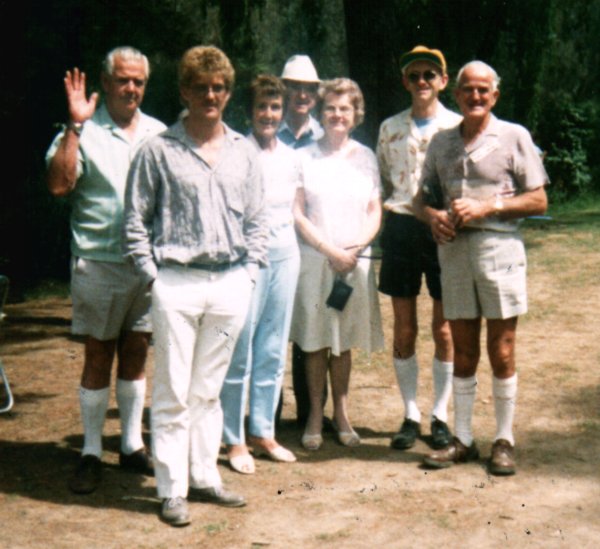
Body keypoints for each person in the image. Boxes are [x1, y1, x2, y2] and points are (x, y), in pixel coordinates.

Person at [124, 45, 268, 526]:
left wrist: (249, 275)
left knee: (209, 387)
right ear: (185, 91)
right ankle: (171, 489)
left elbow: (258, 219)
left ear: (228, 93)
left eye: (219, 87)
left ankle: (205, 476)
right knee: (173, 390)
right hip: (177, 285)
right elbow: (135, 221)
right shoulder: (159, 150)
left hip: (229, 285)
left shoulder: (244, 152)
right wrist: (154, 276)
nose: (211, 94)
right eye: (201, 87)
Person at [415, 61, 548, 475]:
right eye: (468, 90)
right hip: (454, 254)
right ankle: (464, 439)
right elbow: (420, 199)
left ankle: (504, 440)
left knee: (502, 349)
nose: (475, 97)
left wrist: (489, 205)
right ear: (455, 94)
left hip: (499, 248)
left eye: (483, 91)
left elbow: (538, 200)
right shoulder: (440, 142)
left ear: (495, 95)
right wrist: (432, 216)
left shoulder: (513, 136)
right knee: (464, 349)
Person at [46, 46, 166, 495]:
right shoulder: (82, 131)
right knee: (98, 355)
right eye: (123, 80)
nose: (131, 88)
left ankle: (132, 446)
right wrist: (75, 126)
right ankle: (92, 452)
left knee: (137, 353)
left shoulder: (159, 133)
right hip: (99, 262)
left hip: (146, 266)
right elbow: (59, 184)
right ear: (106, 81)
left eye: (138, 81)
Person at [290, 78, 384, 451]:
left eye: (344, 108)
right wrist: (329, 249)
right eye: (330, 108)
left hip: (353, 264)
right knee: (314, 343)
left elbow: (375, 210)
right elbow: (297, 213)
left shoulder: (366, 156)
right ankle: (315, 413)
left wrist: (357, 248)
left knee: (342, 343)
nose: (337, 115)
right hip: (316, 261)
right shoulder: (304, 157)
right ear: (320, 111)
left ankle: (341, 413)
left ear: (355, 114)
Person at [377, 45, 461, 452]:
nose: (423, 82)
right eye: (415, 76)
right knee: (404, 326)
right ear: (405, 82)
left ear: (444, 81)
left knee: (444, 328)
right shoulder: (389, 128)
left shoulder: (459, 126)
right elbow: (384, 181)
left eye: (430, 74)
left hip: (444, 229)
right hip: (400, 228)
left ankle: (440, 414)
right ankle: (410, 412)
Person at [220, 75, 301, 474]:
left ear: (282, 113)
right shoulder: (236, 151)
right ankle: (233, 439)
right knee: (241, 350)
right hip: (247, 260)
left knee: (272, 348)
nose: (268, 115)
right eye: (261, 108)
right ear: (249, 112)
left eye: (274, 108)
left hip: (287, 255)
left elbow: (296, 211)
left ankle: (263, 431)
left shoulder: (290, 156)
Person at [277, 54, 324, 426]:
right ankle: (268, 413)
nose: (302, 95)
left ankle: (312, 411)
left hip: (312, 245)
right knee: (274, 327)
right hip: (274, 244)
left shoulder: (326, 136)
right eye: (295, 87)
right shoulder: (264, 131)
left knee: (310, 327)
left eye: (308, 88)